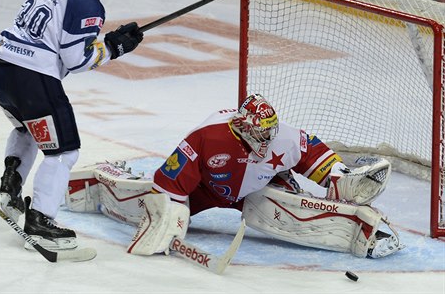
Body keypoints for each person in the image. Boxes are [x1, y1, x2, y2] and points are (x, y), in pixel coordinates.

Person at [66, 93, 405, 259]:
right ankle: (96, 182)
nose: (267, 141)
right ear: (242, 126)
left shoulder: (281, 135)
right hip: (203, 188)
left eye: (271, 134)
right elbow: (170, 182)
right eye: (260, 135)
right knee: (143, 209)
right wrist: (168, 216)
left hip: (258, 188)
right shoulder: (207, 136)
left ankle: (369, 233)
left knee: (290, 213)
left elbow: (313, 152)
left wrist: (338, 175)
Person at [0, 0, 143, 251]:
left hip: (0, 69)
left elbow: (54, 27)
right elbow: (76, 59)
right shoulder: (90, 4)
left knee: (27, 128)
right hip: (33, 79)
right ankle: (41, 221)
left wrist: (103, 40)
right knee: (64, 152)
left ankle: (11, 182)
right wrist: (114, 47)